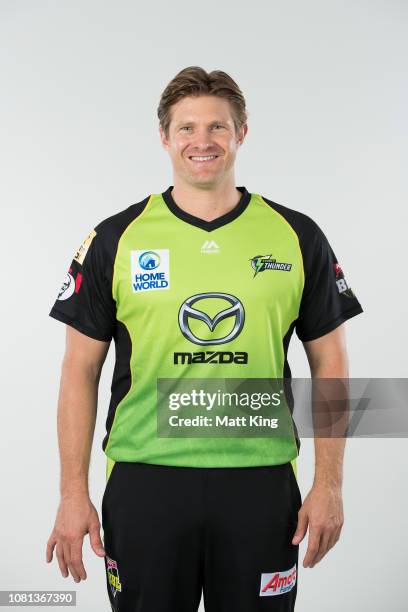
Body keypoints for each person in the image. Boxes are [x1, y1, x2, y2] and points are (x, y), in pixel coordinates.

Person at [45, 66, 364, 611]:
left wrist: (329, 484)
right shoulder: (116, 238)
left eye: (217, 126)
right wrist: (73, 493)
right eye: (187, 127)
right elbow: (79, 370)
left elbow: (330, 362)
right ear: (164, 137)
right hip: (147, 482)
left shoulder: (297, 235)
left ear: (241, 133)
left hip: (260, 485)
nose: (203, 141)